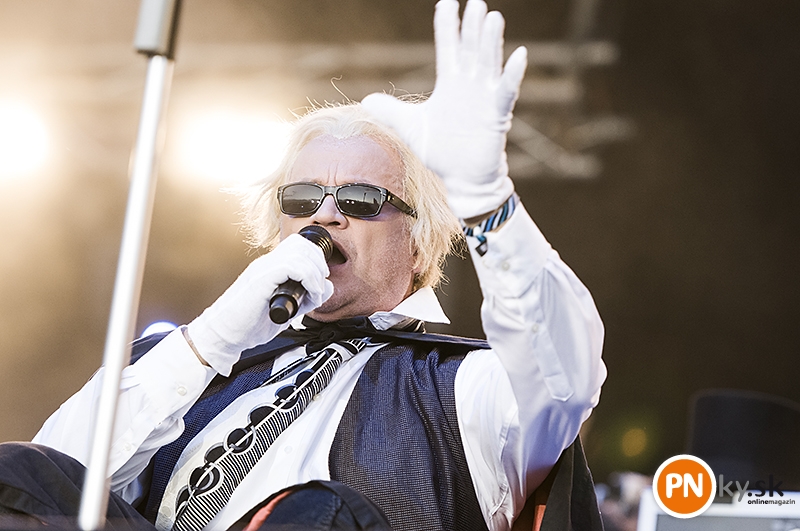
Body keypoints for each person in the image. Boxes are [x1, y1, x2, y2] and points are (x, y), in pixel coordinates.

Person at [0, 1, 606, 530]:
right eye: (302, 198)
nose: (326, 214)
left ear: (419, 245)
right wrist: (212, 340)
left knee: (317, 513)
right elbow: (42, 484)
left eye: (361, 200)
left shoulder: (465, 387)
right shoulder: (187, 366)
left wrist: (485, 198)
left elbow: (563, 379)